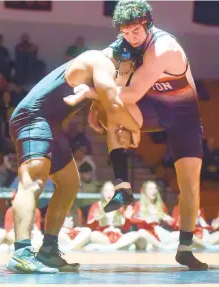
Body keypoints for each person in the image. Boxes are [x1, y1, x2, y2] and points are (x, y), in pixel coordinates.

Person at [71, 0, 208, 270]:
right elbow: (98, 65)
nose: (131, 37)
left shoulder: (163, 48)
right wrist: (97, 104)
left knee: (189, 185)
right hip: (152, 110)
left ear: (148, 24)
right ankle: (122, 185)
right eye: (126, 31)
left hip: (183, 116)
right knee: (112, 111)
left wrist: (94, 96)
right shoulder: (124, 43)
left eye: (136, 31)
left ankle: (185, 247)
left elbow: (130, 93)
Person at [7, 50, 140, 273]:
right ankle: (21, 253)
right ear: (122, 59)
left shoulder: (100, 76)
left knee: (69, 184)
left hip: (53, 125)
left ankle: (48, 250)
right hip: (33, 117)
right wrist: (136, 128)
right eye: (130, 69)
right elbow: (115, 105)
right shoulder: (100, 61)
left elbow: (101, 119)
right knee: (33, 181)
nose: (129, 75)